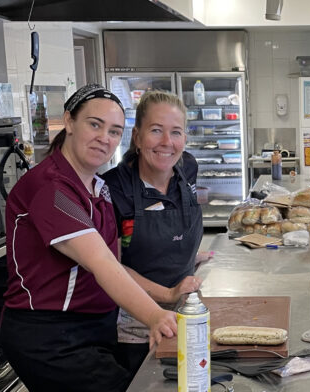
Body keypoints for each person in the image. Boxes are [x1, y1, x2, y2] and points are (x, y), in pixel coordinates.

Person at [0, 84, 178, 392]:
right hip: (52, 336)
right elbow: (101, 262)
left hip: (93, 328)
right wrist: (155, 316)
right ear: (69, 121)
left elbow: (115, 263)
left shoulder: (98, 188)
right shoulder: (52, 188)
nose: (104, 138)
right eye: (95, 124)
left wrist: (166, 296)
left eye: (114, 131)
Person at [101, 91, 204, 376]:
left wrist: (190, 254)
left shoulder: (187, 168)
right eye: (156, 131)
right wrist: (167, 293)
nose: (167, 143)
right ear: (137, 136)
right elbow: (111, 266)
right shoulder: (112, 189)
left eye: (176, 132)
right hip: (134, 324)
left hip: (186, 310)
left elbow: (178, 225)